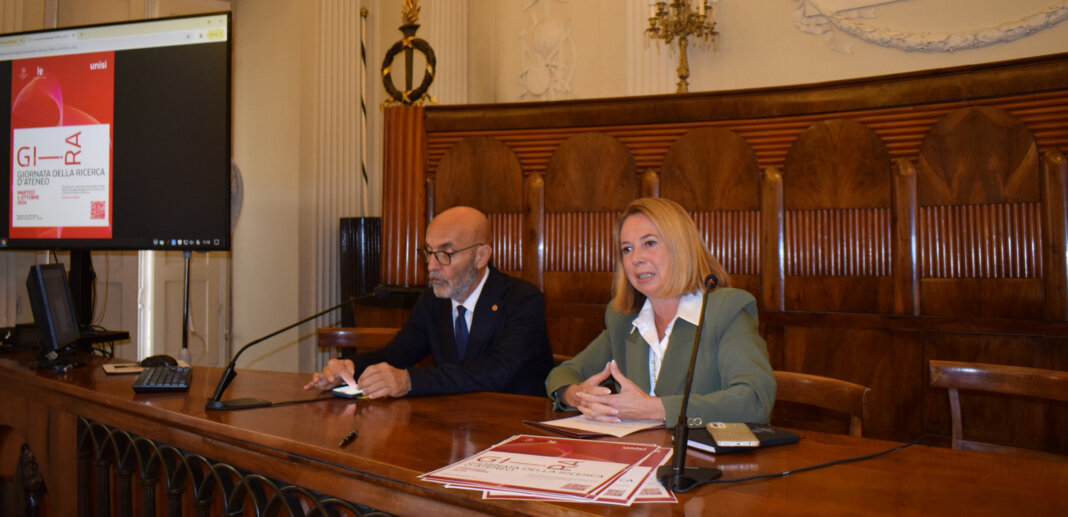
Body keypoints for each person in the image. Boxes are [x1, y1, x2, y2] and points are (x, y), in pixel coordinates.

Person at [545, 197, 775, 427]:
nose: (636, 259)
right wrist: (578, 396)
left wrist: (656, 409)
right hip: (638, 454)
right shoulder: (624, 319)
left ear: (681, 247)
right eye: (627, 249)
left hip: (701, 457)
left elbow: (754, 400)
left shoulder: (725, 310)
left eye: (650, 243)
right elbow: (563, 375)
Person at [305, 206, 553, 399]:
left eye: (445, 254)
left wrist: (410, 381)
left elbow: (497, 371)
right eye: (428, 252)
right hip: (455, 423)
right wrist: (350, 368)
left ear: (481, 256)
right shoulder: (433, 300)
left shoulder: (523, 299)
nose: (431, 266)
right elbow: (396, 354)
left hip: (514, 428)